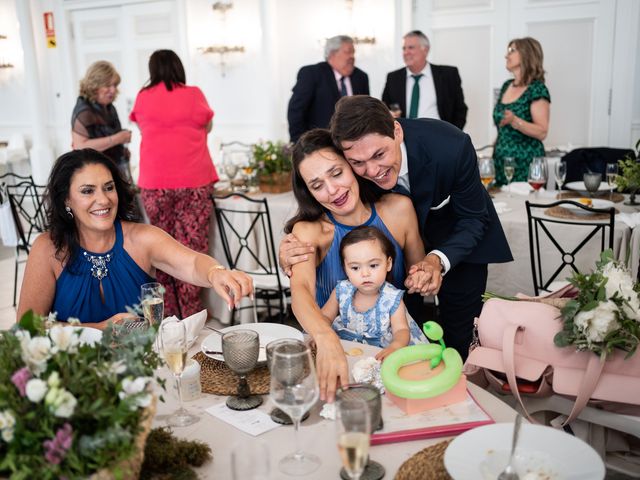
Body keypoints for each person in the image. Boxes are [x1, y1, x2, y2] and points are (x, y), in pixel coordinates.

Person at [16, 149, 252, 329]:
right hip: (73, 380)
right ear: (66, 199)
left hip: (143, 376)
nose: (103, 199)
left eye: (108, 188)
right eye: (88, 191)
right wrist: (100, 329)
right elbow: (28, 329)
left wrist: (216, 273)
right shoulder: (48, 248)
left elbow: (191, 263)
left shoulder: (141, 238)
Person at [282, 128, 434, 401]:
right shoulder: (309, 231)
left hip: (389, 350)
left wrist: (423, 277)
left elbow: (419, 277)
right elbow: (301, 294)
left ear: (352, 164)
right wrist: (326, 339)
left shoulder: (399, 209)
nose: (332, 190)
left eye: (336, 173)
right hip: (331, 345)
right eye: (317, 185)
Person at [129, 49, 218, 318]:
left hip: (155, 183)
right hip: (194, 180)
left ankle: (167, 315)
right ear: (179, 68)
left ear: (152, 70)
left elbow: (142, 128)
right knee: (192, 247)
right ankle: (193, 316)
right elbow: (208, 127)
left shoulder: (143, 97)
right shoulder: (193, 94)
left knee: (162, 251)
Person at [321, 226, 427, 361]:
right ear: (345, 269)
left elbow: (401, 330)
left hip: (382, 353)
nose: (365, 274)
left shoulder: (392, 297)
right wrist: (320, 333)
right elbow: (325, 316)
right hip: (347, 351)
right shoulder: (342, 290)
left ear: (388, 264)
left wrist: (395, 346)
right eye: (355, 268)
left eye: (373, 265)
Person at [287, 35, 370, 143]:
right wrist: (299, 144)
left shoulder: (361, 77)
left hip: (355, 144)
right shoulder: (312, 74)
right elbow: (296, 111)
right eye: (348, 52)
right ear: (332, 54)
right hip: (319, 144)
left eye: (353, 52)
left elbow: (366, 112)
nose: (352, 56)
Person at [381, 30, 467, 129]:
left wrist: (453, 136)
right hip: (405, 138)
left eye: (411, 48)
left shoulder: (448, 75)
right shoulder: (393, 78)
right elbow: (384, 109)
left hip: (439, 135)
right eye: (404, 48)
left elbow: (460, 110)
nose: (406, 52)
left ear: (425, 50)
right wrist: (390, 115)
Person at [493, 37, 550, 185]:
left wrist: (515, 121)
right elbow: (503, 128)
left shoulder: (536, 89)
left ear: (527, 54)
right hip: (501, 162)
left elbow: (542, 132)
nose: (506, 55)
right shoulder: (506, 86)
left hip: (527, 163)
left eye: (512, 50)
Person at [71, 61, 133, 180]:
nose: (113, 90)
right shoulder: (84, 110)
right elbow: (80, 146)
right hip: (96, 172)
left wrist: (122, 147)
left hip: (113, 166)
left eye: (115, 85)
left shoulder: (109, 106)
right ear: (95, 86)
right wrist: (118, 139)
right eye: (108, 86)